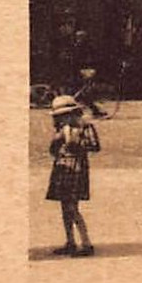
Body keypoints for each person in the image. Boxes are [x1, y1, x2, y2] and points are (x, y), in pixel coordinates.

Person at [45, 95, 99, 256]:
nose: (62, 118)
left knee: (72, 207)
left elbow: (95, 146)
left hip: (76, 167)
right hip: (62, 168)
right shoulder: (61, 129)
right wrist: (57, 140)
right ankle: (70, 241)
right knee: (64, 207)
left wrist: (75, 142)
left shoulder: (84, 127)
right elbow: (52, 151)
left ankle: (86, 243)